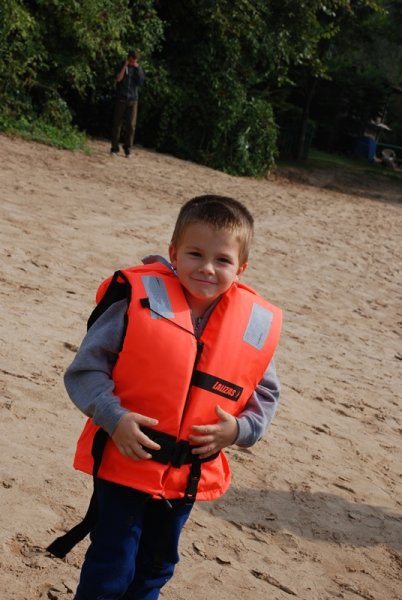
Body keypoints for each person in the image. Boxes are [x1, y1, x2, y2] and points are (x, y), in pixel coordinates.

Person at [58, 195, 282, 600]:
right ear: (174, 253)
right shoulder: (135, 299)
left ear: (241, 268)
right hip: (127, 459)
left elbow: (264, 393)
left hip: (187, 473)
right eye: (195, 254)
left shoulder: (253, 323)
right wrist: (113, 416)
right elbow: (84, 370)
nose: (207, 268)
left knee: (157, 567)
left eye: (223, 260)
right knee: (112, 563)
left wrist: (239, 429)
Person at [110, 50, 145, 157]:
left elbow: (140, 82)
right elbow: (118, 79)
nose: (133, 63)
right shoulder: (121, 65)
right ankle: (114, 148)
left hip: (133, 100)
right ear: (128, 58)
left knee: (131, 125)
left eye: (135, 61)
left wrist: (137, 69)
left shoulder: (137, 69)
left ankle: (128, 149)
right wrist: (124, 66)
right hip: (121, 98)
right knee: (117, 124)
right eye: (131, 60)